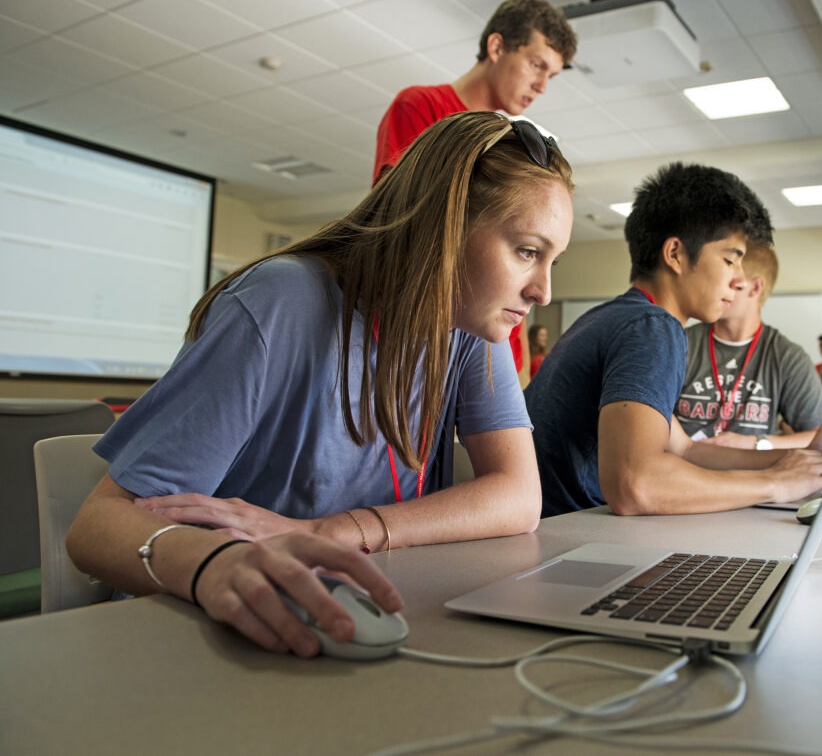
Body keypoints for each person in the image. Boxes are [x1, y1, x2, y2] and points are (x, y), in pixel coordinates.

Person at [66, 112, 574, 657]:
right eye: (526, 251)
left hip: (344, 608)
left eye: (553, 260)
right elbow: (95, 527)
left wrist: (324, 532)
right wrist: (213, 562)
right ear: (444, 225)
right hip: (203, 627)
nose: (543, 291)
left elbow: (519, 497)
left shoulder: (471, 325)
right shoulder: (279, 302)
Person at [525, 162, 822, 518]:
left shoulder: (614, 318)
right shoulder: (652, 328)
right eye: (731, 260)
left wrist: (804, 458)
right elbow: (635, 484)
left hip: (557, 532)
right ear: (675, 254)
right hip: (568, 539)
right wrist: (776, 483)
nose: (740, 278)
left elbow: (685, 449)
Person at [372, 0, 577, 386]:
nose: (542, 86)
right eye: (536, 65)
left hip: (497, 350)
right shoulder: (421, 106)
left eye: (551, 75)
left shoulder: (519, 143)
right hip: (428, 342)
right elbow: (407, 228)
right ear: (496, 47)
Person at [677, 244, 822, 449]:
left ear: (755, 288)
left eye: (733, 285)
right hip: (683, 471)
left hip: (752, 477)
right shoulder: (681, 343)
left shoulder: (786, 356)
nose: (719, 291)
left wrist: (757, 443)